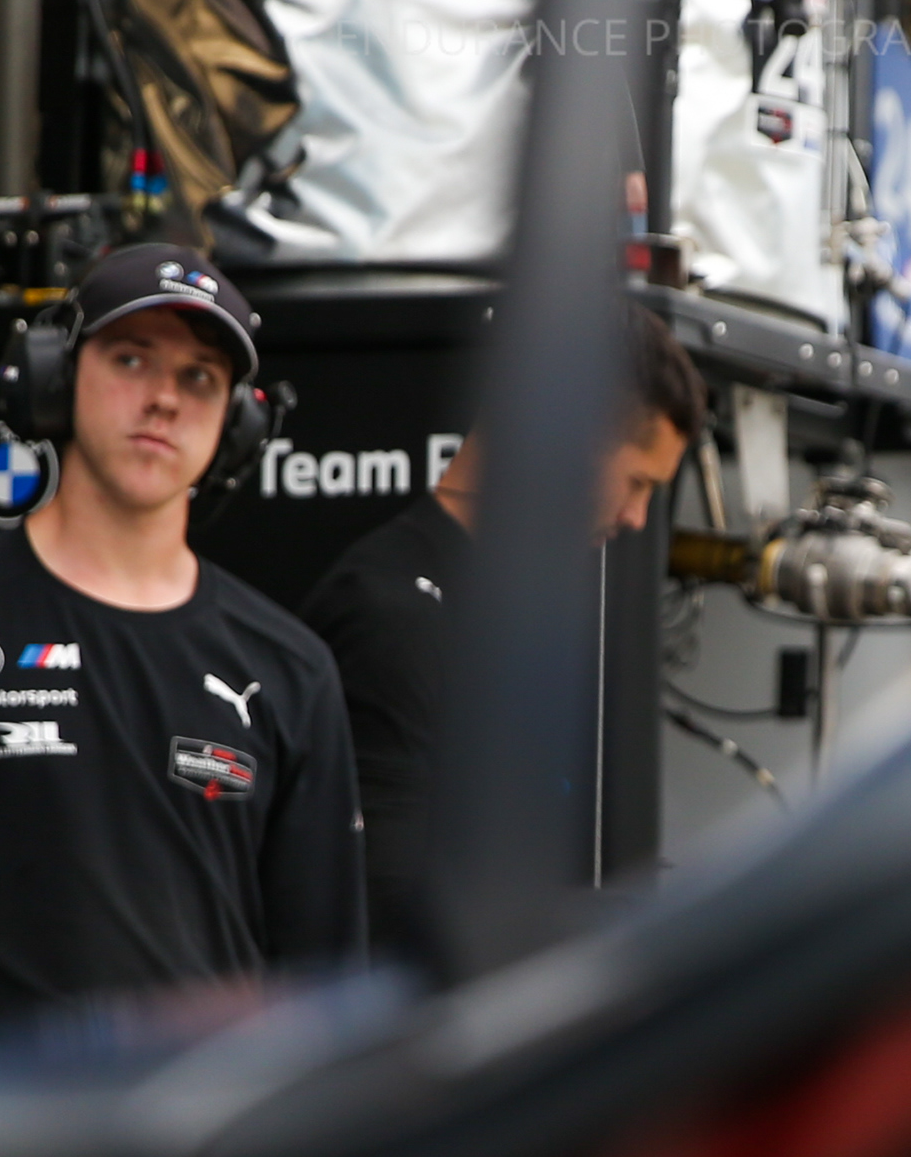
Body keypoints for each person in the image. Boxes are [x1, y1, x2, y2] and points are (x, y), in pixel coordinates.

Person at [0, 244, 363, 1047]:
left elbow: (325, 994)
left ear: (238, 423)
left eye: (199, 377)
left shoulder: (289, 669)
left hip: (211, 1121)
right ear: (54, 375)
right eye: (131, 359)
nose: (164, 399)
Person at [298, 304, 703, 960]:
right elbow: (391, 906)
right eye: (636, 482)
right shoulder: (392, 612)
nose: (636, 516)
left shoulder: (508, 614)